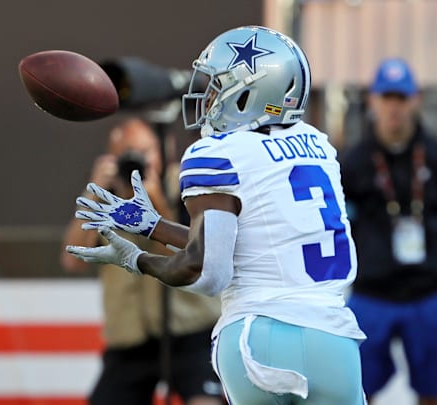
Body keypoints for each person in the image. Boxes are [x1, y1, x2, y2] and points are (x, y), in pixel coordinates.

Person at [65, 26, 367, 405]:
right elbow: (242, 243)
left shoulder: (217, 153)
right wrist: (154, 226)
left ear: (252, 89)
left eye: (217, 84)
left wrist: (137, 259)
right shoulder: (317, 145)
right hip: (332, 338)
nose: (208, 97)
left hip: (259, 335)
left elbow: (209, 273)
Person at [60, 117, 223, 405]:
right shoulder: (106, 198)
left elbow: (195, 255)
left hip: (191, 331)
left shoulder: (186, 187)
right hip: (132, 337)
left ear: (165, 149)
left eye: (144, 152)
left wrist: (157, 200)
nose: (136, 162)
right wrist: (93, 191)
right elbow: (72, 259)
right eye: (127, 155)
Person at [340, 58, 437, 405]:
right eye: (387, 98)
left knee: (436, 392)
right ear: (372, 100)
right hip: (371, 295)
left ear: (416, 99)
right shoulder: (353, 162)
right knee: (357, 393)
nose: (394, 108)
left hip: (426, 294)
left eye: (401, 98)